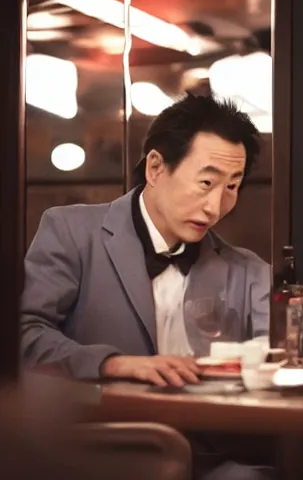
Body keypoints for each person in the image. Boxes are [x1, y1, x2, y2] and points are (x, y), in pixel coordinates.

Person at [19, 94, 275, 480]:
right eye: (206, 182)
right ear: (156, 167)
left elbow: (280, 356)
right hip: (98, 447)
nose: (215, 206)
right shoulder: (71, 232)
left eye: (232, 187)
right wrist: (114, 363)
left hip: (208, 457)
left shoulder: (248, 270)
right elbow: (23, 336)